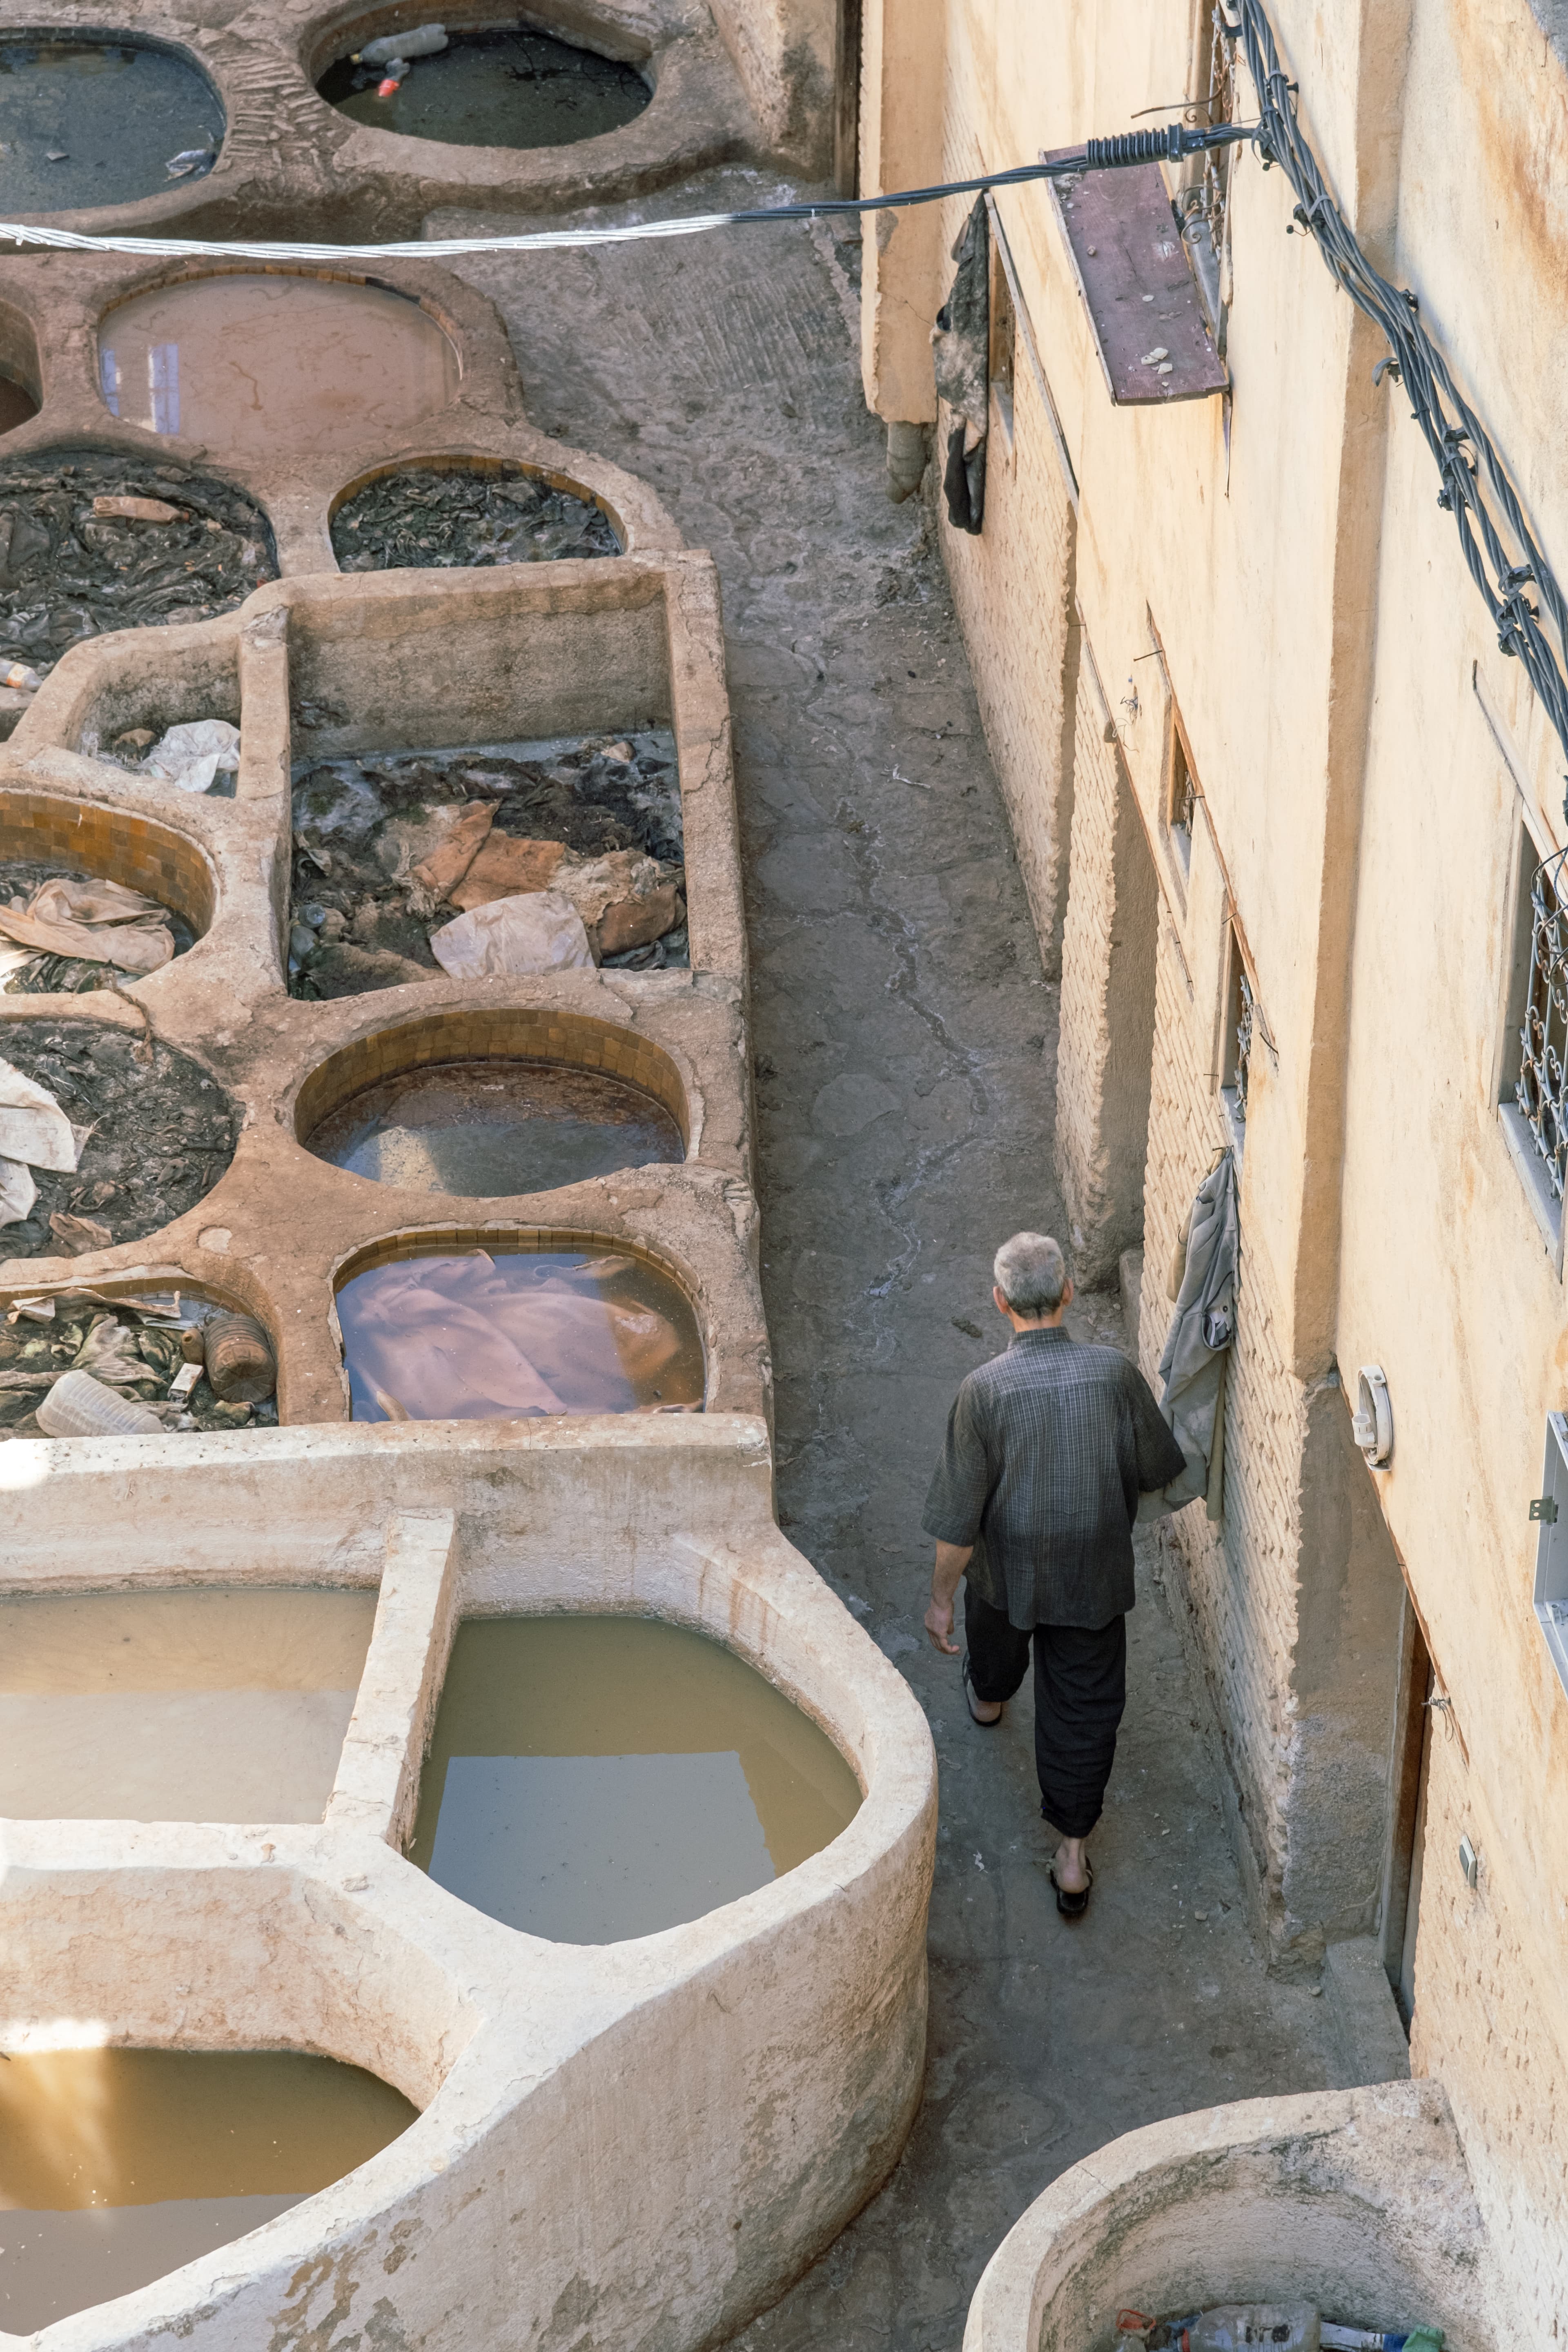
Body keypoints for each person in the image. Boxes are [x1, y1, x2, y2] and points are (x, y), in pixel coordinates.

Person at [921, 1231, 1186, 1917]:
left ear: (999, 1302)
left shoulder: (981, 1392)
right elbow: (1162, 1471)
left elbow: (958, 1521)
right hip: (1093, 1577)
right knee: (1083, 1710)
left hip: (1007, 1573)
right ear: (1068, 1294)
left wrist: (940, 1601)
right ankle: (1072, 1857)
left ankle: (987, 1699)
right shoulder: (1115, 1374)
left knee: (996, 1640)